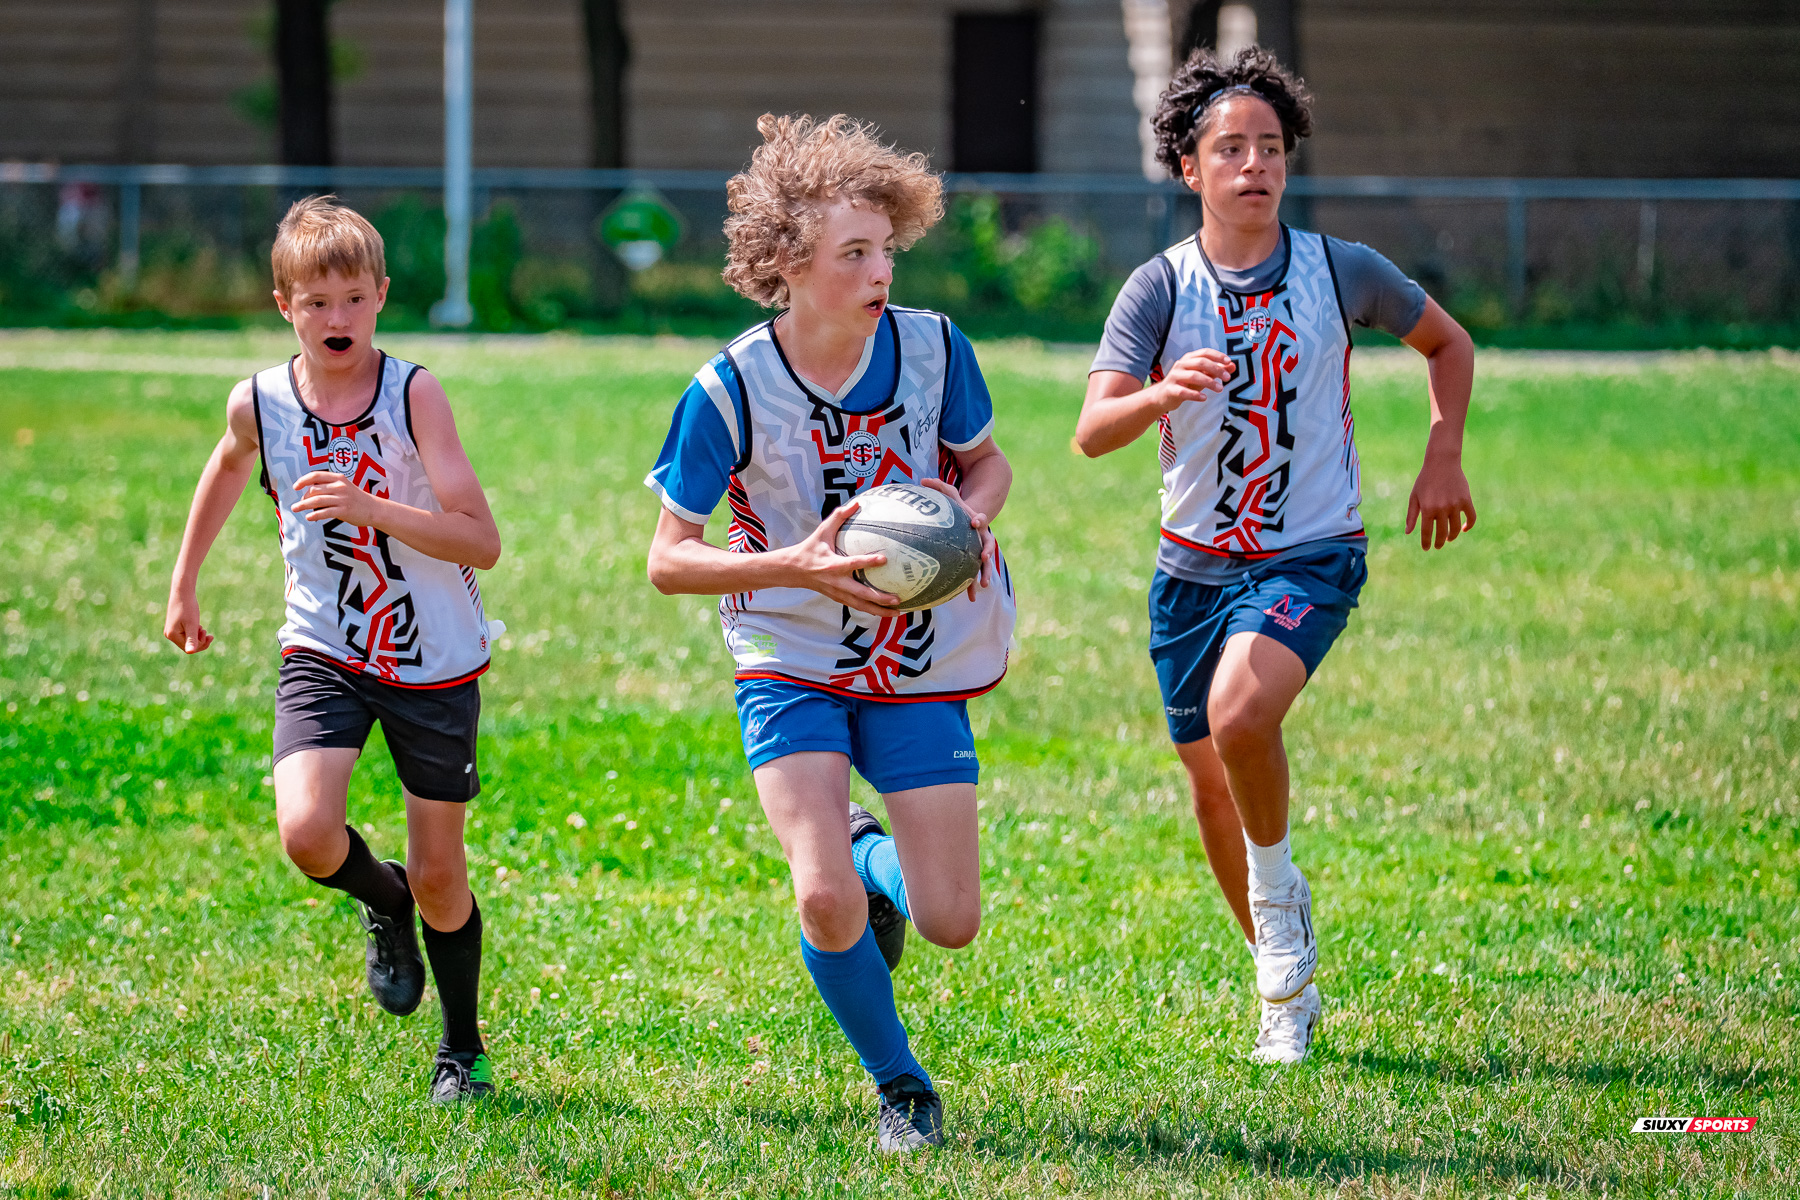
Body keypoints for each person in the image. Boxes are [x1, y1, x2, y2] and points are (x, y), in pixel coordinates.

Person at [1076, 49, 1477, 1064]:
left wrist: (1442, 456)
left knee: (1240, 714)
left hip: (1310, 555)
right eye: (1229, 148)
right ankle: (1282, 997)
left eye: (1269, 147)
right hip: (1190, 575)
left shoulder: (1343, 269)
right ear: (1188, 167)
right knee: (1212, 781)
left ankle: (1280, 908)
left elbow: (1449, 345)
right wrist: (1163, 394)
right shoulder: (1157, 290)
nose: (1253, 165)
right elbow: (1092, 430)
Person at [644, 114, 1017, 1151]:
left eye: (887, 247)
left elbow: (985, 465)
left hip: (917, 655)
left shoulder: (938, 350)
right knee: (823, 900)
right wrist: (794, 566)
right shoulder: (728, 390)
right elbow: (669, 557)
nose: (879, 268)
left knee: (951, 922)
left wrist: (967, 522)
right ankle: (903, 1088)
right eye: (855, 252)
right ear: (787, 263)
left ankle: (865, 848)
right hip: (790, 652)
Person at [163, 196, 504, 1102]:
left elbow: (480, 539)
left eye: (353, 299)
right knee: (308, 834)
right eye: (316, 303)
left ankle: (460, 1049)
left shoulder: (413, 394)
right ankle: (379, 898)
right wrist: (184, 581)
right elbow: (231, 459)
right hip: (323, 645)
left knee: (443, 876)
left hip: (433, 659)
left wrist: (372, 507)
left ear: (381, 296)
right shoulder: (262, 400)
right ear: (285, 306)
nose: (337, 319)